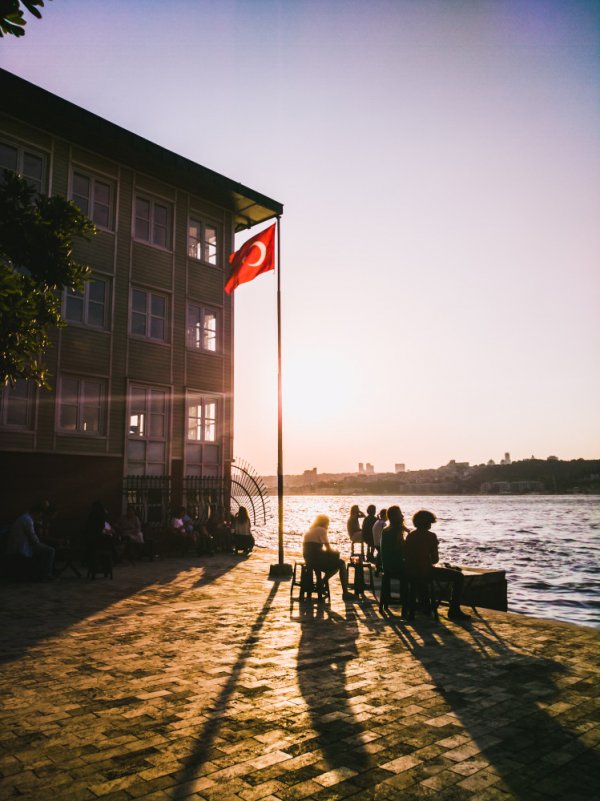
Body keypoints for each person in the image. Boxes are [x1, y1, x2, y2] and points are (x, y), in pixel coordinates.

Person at [404, 510, 471, 622]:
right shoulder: (431, 536)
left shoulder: (410, 536)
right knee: (459, 576)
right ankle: (454, 610)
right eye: (430, 522)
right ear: (427, 523)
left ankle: (424, 605)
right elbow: (435, 560)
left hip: (410, 572)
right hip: (425, 572)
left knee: (421, 574)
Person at [303, 514, 351, 599]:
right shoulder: (322, 530)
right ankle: (345, 592)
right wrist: (336, 552)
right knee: (341, 564)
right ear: (324, 523)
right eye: (328, 523)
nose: (328, 525)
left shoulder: (309, 531)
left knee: (336, 565)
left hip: (308, 560)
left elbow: (314, 549)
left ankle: (321, 582)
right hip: (317, 561)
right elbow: (328, 548)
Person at [6, 501, 55, 580]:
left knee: (44, 548)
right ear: (36, 512)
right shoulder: (27, 520)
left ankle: (43, 572)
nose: (40, 515)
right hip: (20, 548)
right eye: (40, 513)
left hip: (20, 545)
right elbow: (33, 537)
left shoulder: (25, 518)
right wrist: (40, 543)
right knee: (50, 550)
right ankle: (46, 574)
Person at [379, 505, 408, 613]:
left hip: (386, 566)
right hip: (395, 567)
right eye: (400, 514)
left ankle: (407, 601)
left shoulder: (386, 530)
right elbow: (401, 550)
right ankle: (408, 602)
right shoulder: (396, 531)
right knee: (414, 572)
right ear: (396, 516)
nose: (402, 516)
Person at [371, 508, 387, 575]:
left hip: (376, 543)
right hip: (380, 544)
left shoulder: (377, 521)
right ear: (384, 515)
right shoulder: (383, 524)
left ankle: (378, 567)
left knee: (379, 554)